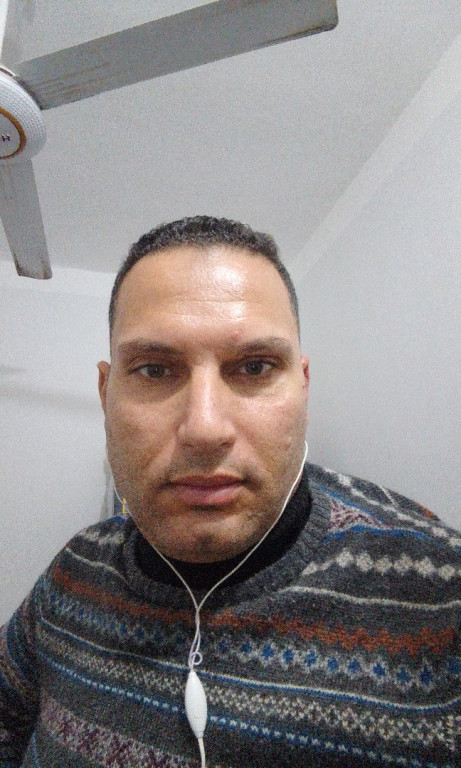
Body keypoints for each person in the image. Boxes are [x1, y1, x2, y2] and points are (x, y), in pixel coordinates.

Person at [0, 216, 459, 768]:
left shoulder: (439, 594)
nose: (204, 429)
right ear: (105, 394)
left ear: (303, 387)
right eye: (154, 370)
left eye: (255, 367)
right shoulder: (74, 571)